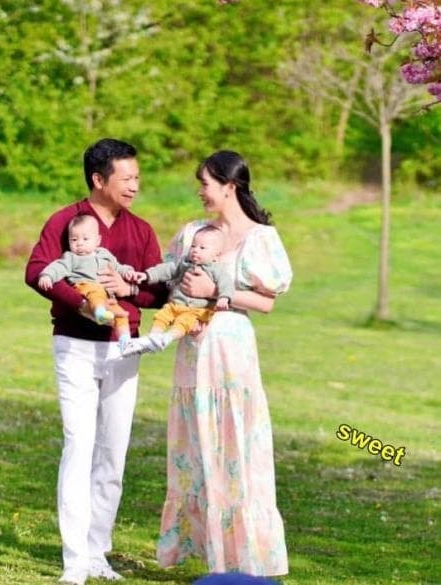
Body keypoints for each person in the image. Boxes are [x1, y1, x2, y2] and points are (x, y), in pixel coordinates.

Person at [25, 139, 165, 585]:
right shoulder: (65, 221)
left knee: (113, 453)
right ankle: (74, 562)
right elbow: (37, 271)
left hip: (123, 349)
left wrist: (128, 291)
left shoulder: (141, 231)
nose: (135, 186)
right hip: (74, 346)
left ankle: (96, 552)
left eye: (137, 178)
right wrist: (82, 304)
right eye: (127, 178)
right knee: (78, 445)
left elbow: (159, 292)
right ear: (98, 179)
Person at [156, 150, 292, 577]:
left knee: (236, 446)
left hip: (231, 355)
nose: (200, 191)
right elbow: (169, 279)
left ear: (229, 186)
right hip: (194, 353)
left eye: (205, 183)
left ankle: (245, 557)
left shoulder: (260, 238)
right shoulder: (193, 233)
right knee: (196, 448)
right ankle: (206, 552)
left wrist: (217, 294)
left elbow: (267, 302)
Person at [121, 225, 234, 356]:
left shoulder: (217, 270)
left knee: (184, 323)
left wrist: (224, 297)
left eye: (202, 248)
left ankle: (167, 338)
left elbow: (226, 283)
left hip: (197, 310)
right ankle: (154, 337)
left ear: (216, 256)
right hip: (175, 304)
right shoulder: (184, 263)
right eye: (193, 246)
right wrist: (147, 275)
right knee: (162, 316)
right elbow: (166, 269)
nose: (195, 250)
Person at [38, 213, 135, 350]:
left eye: (85, 239)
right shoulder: (71, 257)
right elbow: (58, 267)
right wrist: (47, 276)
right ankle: (99, 313)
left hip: (107, 297)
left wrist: (128, 272)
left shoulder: (105, 255)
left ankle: (125, 341)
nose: (79, 244)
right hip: (84, 287)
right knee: (95, 291)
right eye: (74, 239)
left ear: (98, 240)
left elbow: (118, 267)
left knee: (121, 315)